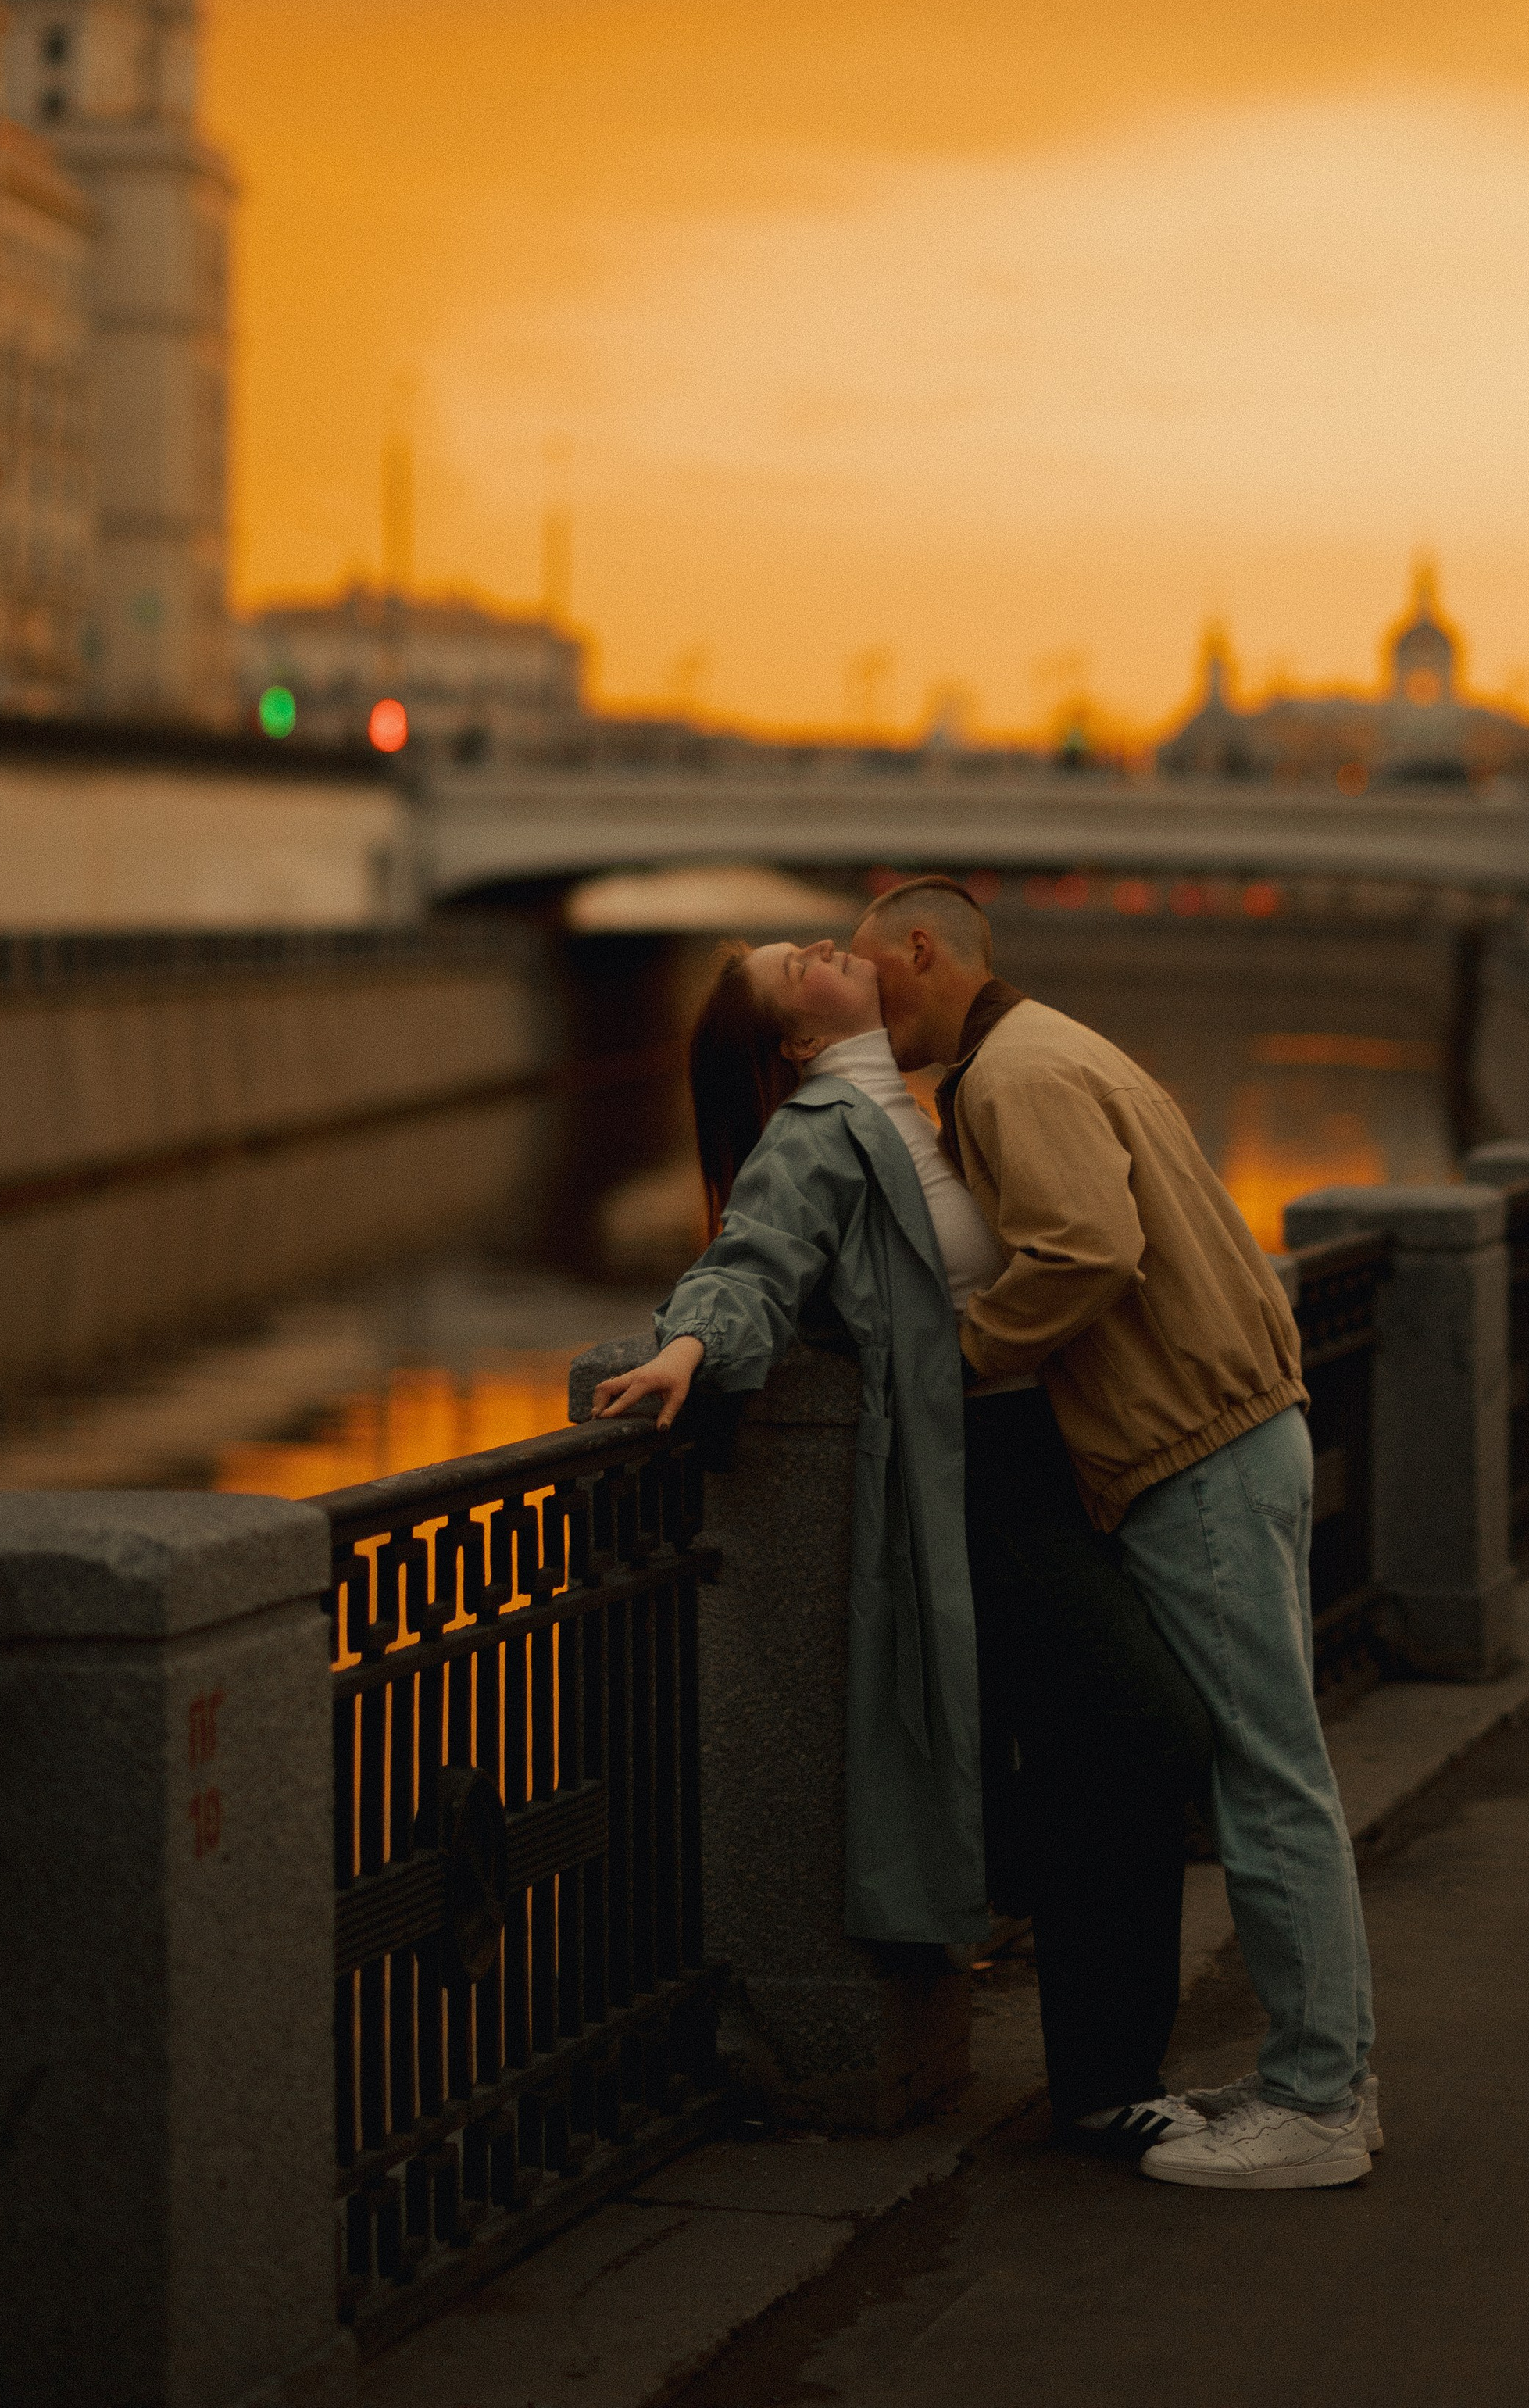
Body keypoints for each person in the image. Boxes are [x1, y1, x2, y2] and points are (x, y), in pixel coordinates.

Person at [588, 934, 1215, 2146]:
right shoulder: (816, 1133)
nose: (824, 946)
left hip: (1045, 1466)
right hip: (971, 1482)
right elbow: (753, 1258)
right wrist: (690, 1342)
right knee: (1147, 1732)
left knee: (1116, 1747)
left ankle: (1105, 2073)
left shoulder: (923, 1107)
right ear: (797, 1040)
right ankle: (1103, 2083)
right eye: (795, 966)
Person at [850, 876, 1380, 2195]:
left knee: (1267, 1778)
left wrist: (957, 1357)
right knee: (1275, 1766)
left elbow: (1087, 1251)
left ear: (923, 951)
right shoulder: (1066, 1043)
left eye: (876, 975)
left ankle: (1320, 2105)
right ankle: (1320, 2079)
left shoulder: (1004, 1078)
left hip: (1191, 1449)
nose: (869, 1006)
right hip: (1238, 1424)